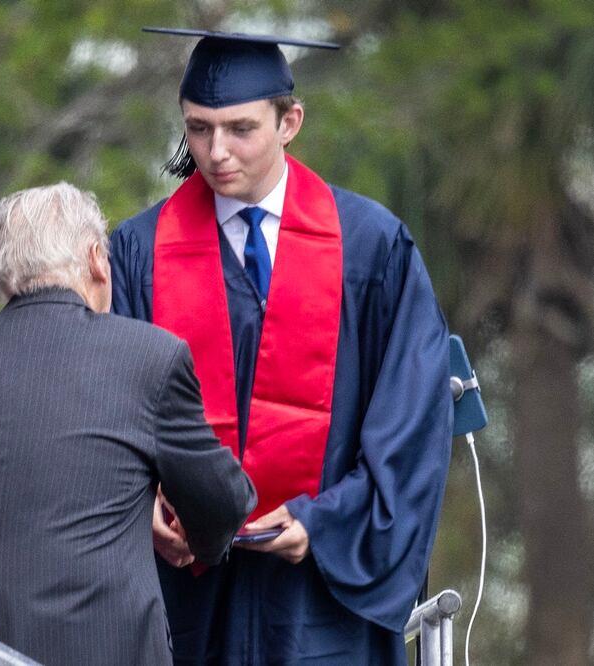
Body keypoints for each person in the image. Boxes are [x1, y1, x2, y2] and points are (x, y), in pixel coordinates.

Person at [110, 28, 453, 664]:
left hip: (320, 595)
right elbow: (108, 410)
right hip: (186, 594)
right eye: (198, 128)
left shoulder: (371, 246)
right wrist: (141, 513)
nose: (215, 152)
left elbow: (412, 415)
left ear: (289, 121)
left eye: (240, 128)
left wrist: (326, 522)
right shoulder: (137, 252)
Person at [0, 182, 257, 666]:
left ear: (2, 274)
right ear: (96, 260)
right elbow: (221, 503)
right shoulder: (150, 357)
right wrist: (200, 544)